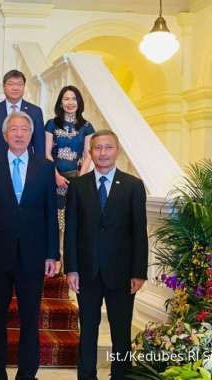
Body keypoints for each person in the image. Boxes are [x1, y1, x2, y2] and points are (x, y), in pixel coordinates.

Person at [0, 111, 60, 380]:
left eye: (24, 129)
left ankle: (27, 373)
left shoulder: (45, 167)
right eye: (13, 129)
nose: (18, 133)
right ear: (5, 135)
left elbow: (51, 212)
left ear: (31, 134)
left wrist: (53, 253)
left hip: (33, 255)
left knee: (30, 318)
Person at [64, 129, 148, 380]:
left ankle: (121, 375)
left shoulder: (133, 186)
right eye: (97, 148)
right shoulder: (78, 186)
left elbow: (139, 232)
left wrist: (138, 272)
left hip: (122, 274)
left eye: (108, 147)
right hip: (87, 272)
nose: (102, 153)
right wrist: (71, 268)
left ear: (117, 150)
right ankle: (86, 375)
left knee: (121, 331)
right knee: (88, 329)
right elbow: (71, 231)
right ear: (90, 153)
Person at [45, 85, 95, 227]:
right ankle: (55, 249)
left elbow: (88, 155)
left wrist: (80, 180)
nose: (70, 102)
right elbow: (47, 153)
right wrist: (55, 176)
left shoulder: (87, 126)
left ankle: (67, 249)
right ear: (61, 103)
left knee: (72, 220)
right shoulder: (51, 124)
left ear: (79, 102)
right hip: (53, 177)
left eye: (74, 99)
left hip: (75, 178)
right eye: (66, 99)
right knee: (53, 220)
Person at [0, 70, 45, 160]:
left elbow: (39, 146)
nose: (15, 88)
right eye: (11, 84)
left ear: (24, 87)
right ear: (4, 87)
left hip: (27, 166)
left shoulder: (35, 112)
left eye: (19, 84)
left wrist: (40, 169)